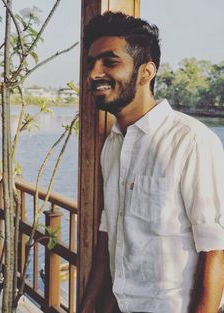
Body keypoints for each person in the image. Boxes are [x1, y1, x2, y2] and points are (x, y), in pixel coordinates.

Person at [80, 11, 224, 313]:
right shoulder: (113, 144)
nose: (93, 73)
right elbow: (109, 232)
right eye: (91, 63)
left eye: (110, 61)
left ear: (146, 72)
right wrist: (87, 306)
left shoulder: (191, 141)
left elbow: (215, 248)